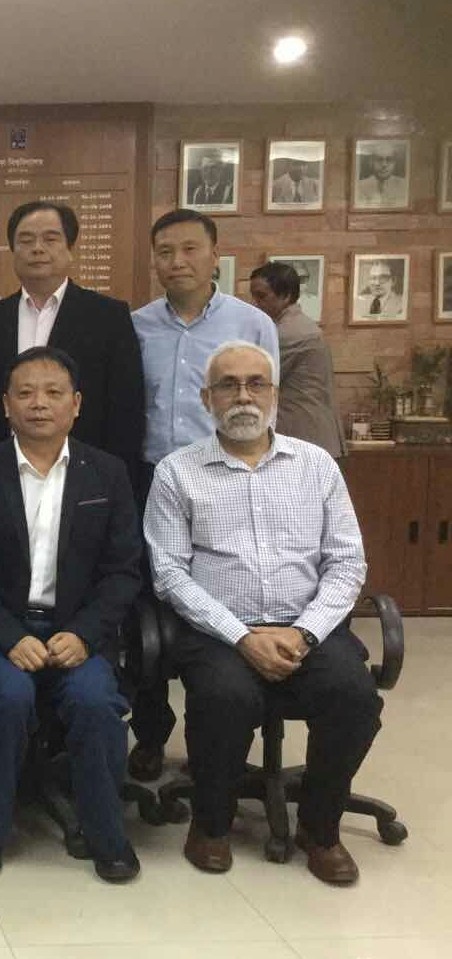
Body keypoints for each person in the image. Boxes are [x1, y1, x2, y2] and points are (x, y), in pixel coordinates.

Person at [146, 341, 379, 884]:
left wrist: (304, 633)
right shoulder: (177, 472)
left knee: (354, 698)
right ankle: (211, 825)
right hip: (219, 632)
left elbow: (348, 563)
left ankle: (319, 828)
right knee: (225, 697)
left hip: (308, 628)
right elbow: (169, 573)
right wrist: (241, 636)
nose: (243, 396)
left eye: (256, 384)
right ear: (206, 398)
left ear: (274, 394)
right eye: (228, 385)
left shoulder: (316, 466)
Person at [0, 346, 142, 881]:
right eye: (26, 393)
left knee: (94, 700)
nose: (39, 404)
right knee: (8, 697)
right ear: (5, 404)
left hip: (78, 632)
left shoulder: (108, 474)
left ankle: (107, 835)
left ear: (75, 405)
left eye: (53, 393)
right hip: (2, 634)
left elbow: (124, 571)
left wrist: (85, 634)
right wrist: (9, 636)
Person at [126, 209, 279, 781]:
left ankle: (217, 735)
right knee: (147, 610)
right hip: (150, 480)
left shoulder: (251, 323)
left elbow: (268, 406)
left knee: (223, 597)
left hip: (226, 480)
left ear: (216, 255)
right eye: (165, 252)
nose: (177, 262)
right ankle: (150, 732)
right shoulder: (136, 326)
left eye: (190, 249)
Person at [0, 200, 145, 480]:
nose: (37, 248)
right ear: (12, 251)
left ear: (70, 249)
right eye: (26, 240)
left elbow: (127, 410)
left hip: (85, 477)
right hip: (1, 478)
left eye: (50, 239)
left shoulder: (109, 317)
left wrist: (113, 481)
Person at [249, 261, 346, 457]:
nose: (255, 304)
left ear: (285, 296)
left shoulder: (289, 333)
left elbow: (253, 379)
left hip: (305, 435)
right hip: (309, 435)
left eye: (261, 296)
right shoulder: (295, 326)